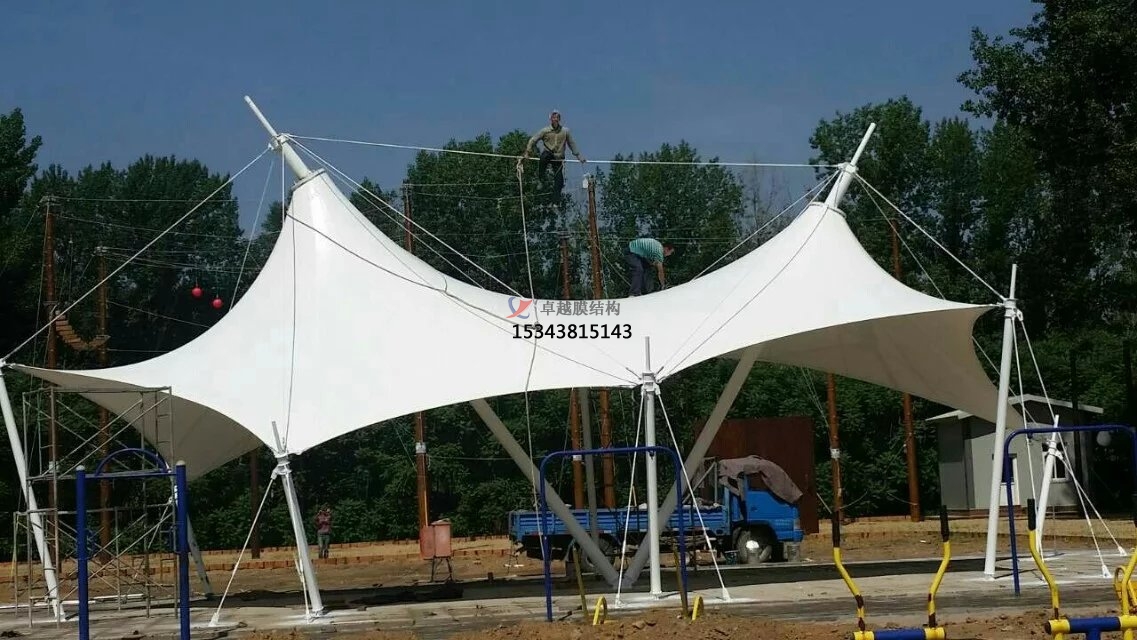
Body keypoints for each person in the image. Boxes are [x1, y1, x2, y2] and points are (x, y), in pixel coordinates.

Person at [518, 110, 585, 205]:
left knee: (559, 181)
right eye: (553, 117)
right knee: (544, 157)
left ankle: (555, 202)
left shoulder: (565, 131)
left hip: (558, 157)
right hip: (548, 154)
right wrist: (528, 152)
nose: (555, 119)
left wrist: (578, 156)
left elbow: (571, 144)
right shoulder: (545, 131)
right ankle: (541, 179)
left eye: (557, 117)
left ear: (559, 119)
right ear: (550, 119)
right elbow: (533, 140)